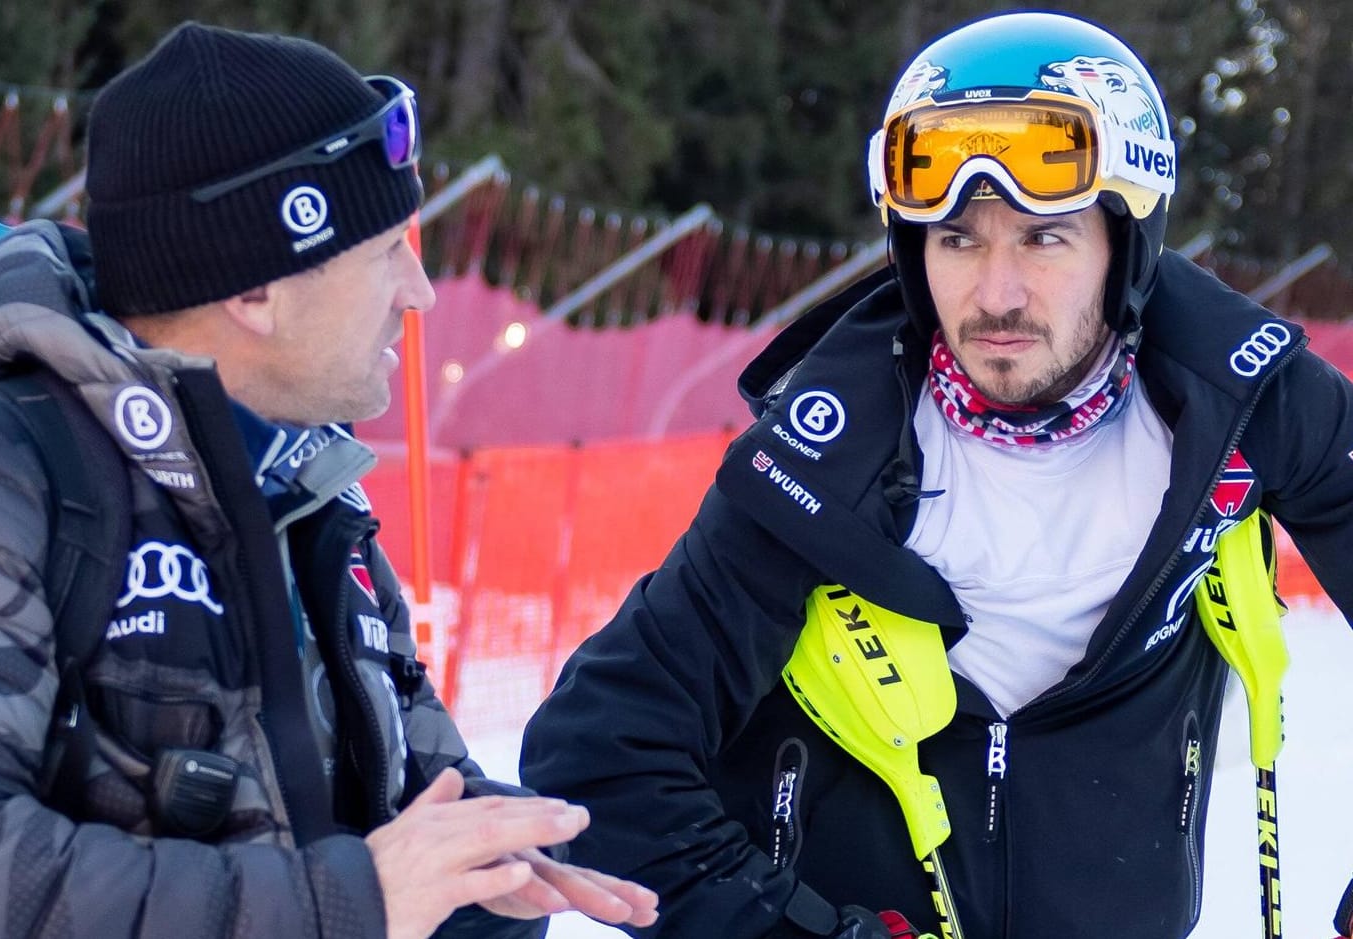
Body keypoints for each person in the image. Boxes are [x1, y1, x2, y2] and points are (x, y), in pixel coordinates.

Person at [520, 10, 1353, 939]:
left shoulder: (1247, 405)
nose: (995, 293)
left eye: (1043, 238)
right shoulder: (821, 467)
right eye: (957, 239)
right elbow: (594, 755)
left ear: (1127, 244)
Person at [0, 21, 656, 939]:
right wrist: (349, 902)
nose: (420, 291)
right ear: (254, 292)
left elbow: (406, 788)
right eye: (382, 253)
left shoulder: (310, 482)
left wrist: (489, 870)